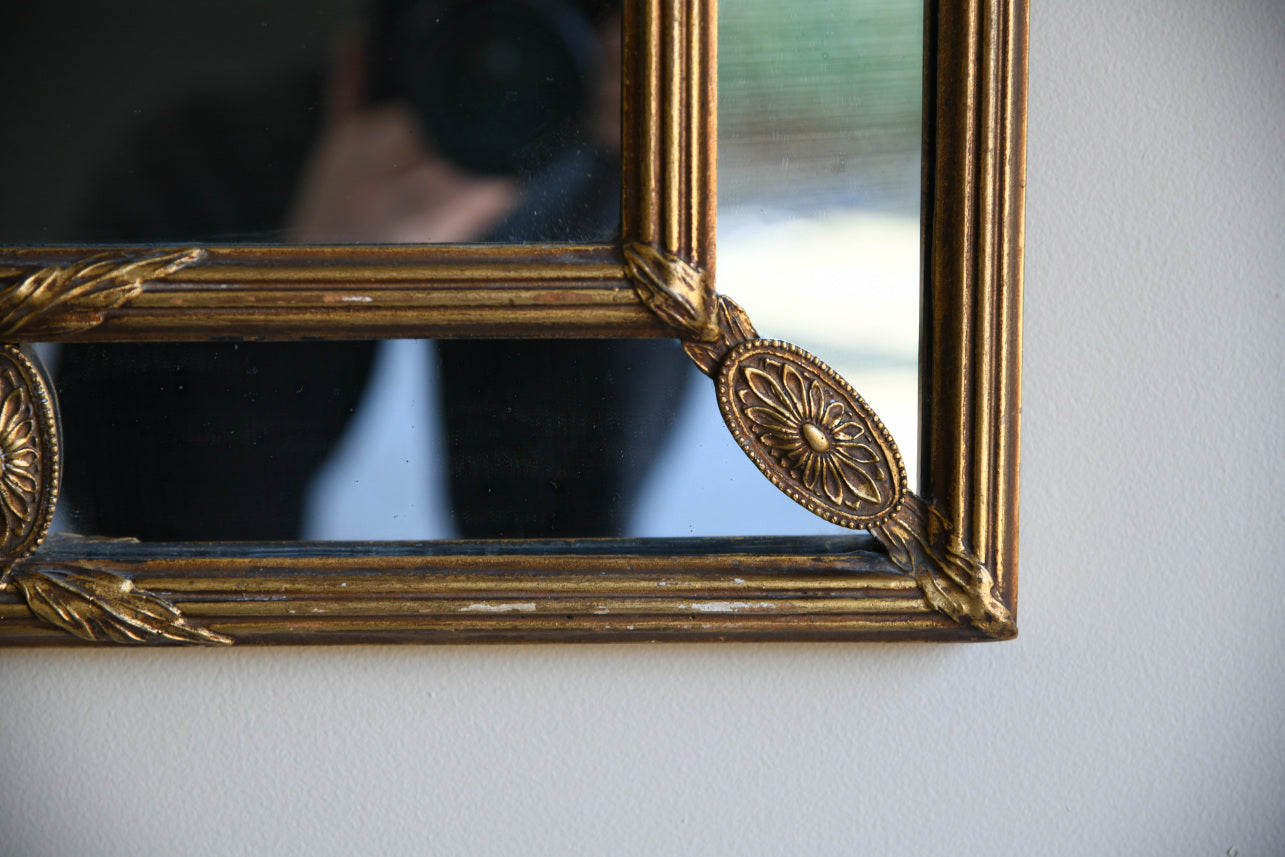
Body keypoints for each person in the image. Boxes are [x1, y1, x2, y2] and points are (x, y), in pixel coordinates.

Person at [57, 0, 690, 540]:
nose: (496, 66)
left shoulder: (614, 193)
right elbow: (148, 547)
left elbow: (567, 561)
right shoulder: (201, 165)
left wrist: (626, 169)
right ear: (370, 50)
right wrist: (304, 282)